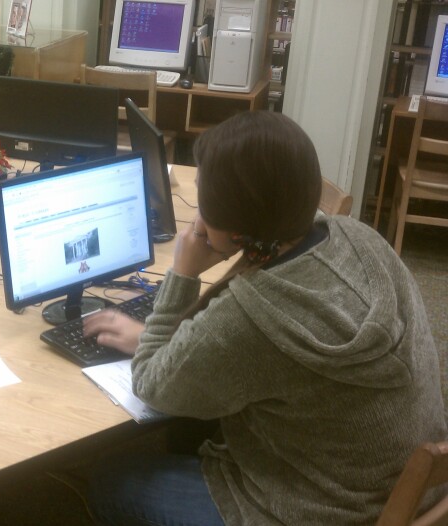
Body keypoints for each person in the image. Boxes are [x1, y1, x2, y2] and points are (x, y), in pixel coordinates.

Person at [82, 111, 447, 525]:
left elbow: (151, 383)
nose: (199, 213)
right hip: (409, 486)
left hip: (328, 512)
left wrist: (183, 273)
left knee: (111, 478)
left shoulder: (249, 318)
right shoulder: (359, 236)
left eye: (205, 200)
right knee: (191, 430)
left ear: (236, 230)